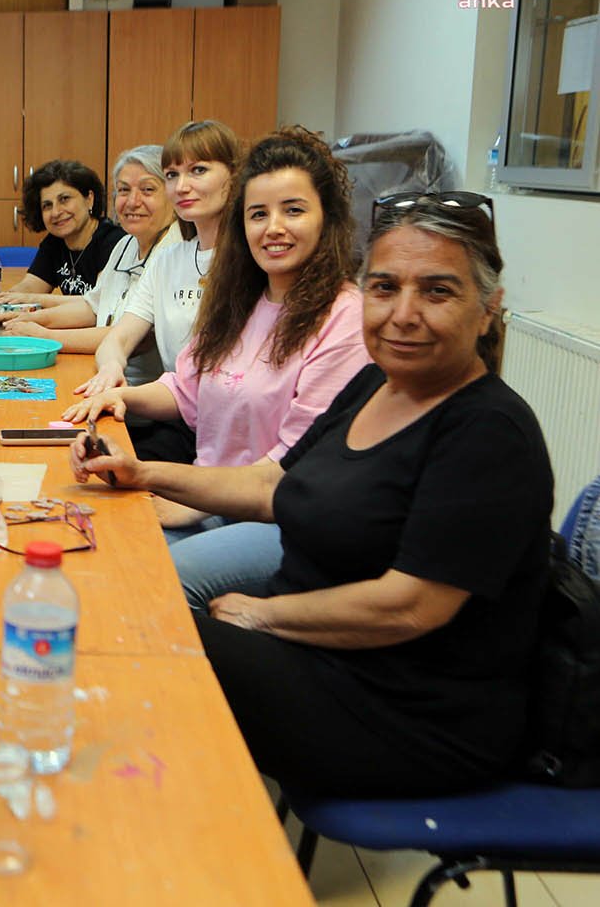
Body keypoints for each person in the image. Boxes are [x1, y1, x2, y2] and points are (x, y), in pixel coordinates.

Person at [71, 192, 553, 798]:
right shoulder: (379, 383)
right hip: (326, 654)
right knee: (117, 610)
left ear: (488, 309)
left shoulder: (487, 432)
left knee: (128, 630)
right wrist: (142, 473)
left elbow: (410, 606)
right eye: (383, 288)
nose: (403, 313)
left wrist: (264, 615)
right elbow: (272, 483)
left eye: (437, 291)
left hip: (407, 708)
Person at [64, 128, 371, 607]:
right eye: (258, 214)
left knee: (155, 582)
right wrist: (118, 396)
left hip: (284, 519)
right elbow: (186, 392)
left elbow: (281, 478)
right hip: (215, 502)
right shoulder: (238, 300)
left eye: (293, 210)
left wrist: (153, 479)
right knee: (105, 555)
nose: (273, 227)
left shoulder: (345, 319)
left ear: (327, 218)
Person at [72, 120, 242, 464]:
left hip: (226, 435)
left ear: (235, 177)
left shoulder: (249, 260)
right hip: (178, 420)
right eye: (172, 175)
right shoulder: (169, 260)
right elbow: (117, 339)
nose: (182, 186)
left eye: (198, 170)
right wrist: (110, 370)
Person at [0, 145, 181, 377]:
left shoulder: (175, 252)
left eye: (147, 190)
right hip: (99, 369)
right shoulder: (126, 245)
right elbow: (93, 306)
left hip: (141, 389)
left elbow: (136, 337)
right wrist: (28, 318)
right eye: (123, 190)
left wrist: (45, 336)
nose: (132, 201)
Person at [0, 159, 125, 298]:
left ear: (89, 199)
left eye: (64, 199)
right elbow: (30, 287)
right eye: (47, 205)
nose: (55, 212)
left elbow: (96, 305)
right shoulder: (54, 243)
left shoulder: (114, 242)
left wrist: (34, 302)